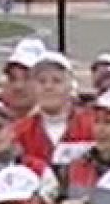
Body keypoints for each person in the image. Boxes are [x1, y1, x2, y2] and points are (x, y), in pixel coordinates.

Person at [13, 52, 95, 180]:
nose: (48, 87)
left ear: (70, 86)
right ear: (32, 87)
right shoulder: (19, 132)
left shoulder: (92, 125)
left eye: (56, 81)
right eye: (41, 81)